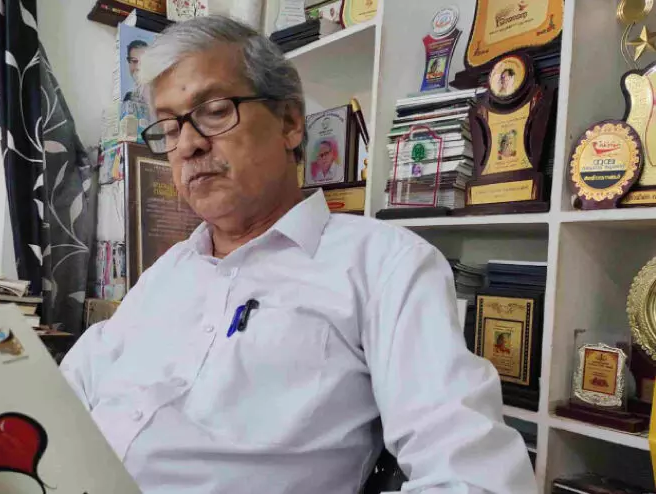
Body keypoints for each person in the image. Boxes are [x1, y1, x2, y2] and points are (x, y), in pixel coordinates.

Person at [61, 16, 536, 494]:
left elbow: (476, 477)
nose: (187, 144)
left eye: (215, 111)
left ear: (289, 123)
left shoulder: (384, 266)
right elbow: (64, 393)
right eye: (168, 128)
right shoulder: (166, 273)